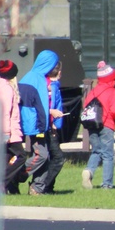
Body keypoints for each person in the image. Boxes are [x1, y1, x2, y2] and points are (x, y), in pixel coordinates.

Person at [18, 50, 63, 196]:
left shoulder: (31, 77)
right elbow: (38, 106)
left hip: (38, 123)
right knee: (41, 155)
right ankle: (17, 175)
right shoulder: (36, 80)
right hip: (37, 124)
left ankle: (37, 187)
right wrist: (45, 122)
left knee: (46, 157)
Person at [81, 60, 115, 190]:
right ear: (111, 78)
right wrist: (112, 121)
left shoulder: (93, 91)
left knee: (96, 151)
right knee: (108, 155)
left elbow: (86, 106)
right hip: (106, 125)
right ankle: (107, 184)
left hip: (92, 125)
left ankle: (89, 171)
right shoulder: (113, 92)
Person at [0, 59, 27, 194]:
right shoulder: (6, 89)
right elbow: (5, 110)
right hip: (9, 130)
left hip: (1, 129)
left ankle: (7, 186)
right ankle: (1, 182)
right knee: (21, 156)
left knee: (6, 157)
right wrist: (6, 132)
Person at [42, 61, 66, 193]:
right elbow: (50, 105)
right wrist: (53, 120)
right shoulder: (52, 86)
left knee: (50, 157)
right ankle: (44, 186)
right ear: (60, 73)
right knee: (58, 158)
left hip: (49, 125)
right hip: (50, 126)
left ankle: (48, 187)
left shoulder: (48, 84)